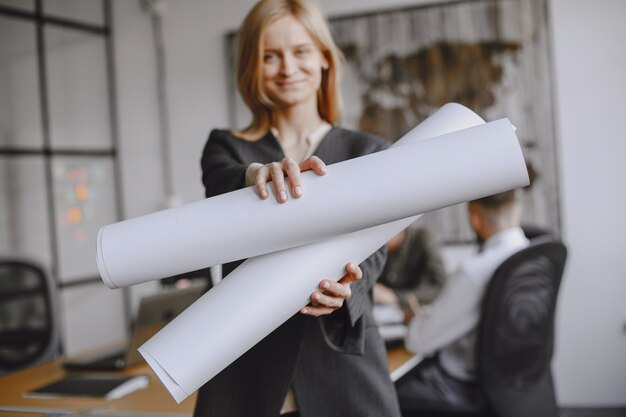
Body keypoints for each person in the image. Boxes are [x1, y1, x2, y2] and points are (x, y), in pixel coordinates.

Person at [194, 1, 401, 416]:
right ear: (252, 65)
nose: (287, 68)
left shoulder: (370, 151)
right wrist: (254, 176)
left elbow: (374, 253)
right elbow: (220, 182)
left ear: (325, 58)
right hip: (246, 373)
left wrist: (347, 291)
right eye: (270, 56)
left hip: (345, 371)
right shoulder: (226, 146)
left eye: (301, 51)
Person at [395, 190, 529, 410]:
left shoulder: (474, 272)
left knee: (387, 391)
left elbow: (418, 341)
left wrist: (412, 320)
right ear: (517, 210)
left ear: (475, 218)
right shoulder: (528, 254)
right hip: (516, 383)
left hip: (464, 386)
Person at [374, 226, 446, 308]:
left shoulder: (423, 239)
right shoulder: (374, 249)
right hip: (382, 311)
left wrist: (395, 296)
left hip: (419, 311)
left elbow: (436, 287)